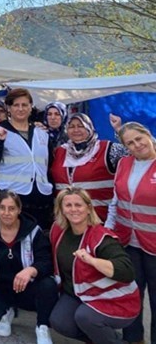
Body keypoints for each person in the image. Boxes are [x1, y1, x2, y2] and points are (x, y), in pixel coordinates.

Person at [50, 187, 139, 344]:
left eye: (78, 205)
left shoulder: (101, 237)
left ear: (89, 208)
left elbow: (127, 271)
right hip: (78, 294)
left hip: (114, 298)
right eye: (68, 205)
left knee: (85, 317)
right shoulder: (58, 231)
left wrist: (92, 261)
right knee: (59, 322)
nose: (73, 210)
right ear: (61, 210)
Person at [0, 190, 57, 343]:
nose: (7, 213)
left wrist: (30, 270)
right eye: (2, 208)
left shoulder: (33, 231)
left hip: (26, 287)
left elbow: (46, 262)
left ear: (19, 210)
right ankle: (6, 310)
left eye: (12, 208)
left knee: (48, 285)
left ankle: (42, 326)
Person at [106, 122, 156, 344]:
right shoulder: (124, 164)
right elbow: (115, 202)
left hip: (154, 246)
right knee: (130, 295)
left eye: (139, 138)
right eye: (130, 143)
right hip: (127, 242)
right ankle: (134, 340)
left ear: (149, 135)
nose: (137, 145)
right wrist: (108, 230)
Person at [0, 88, 54, 230]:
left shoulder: (42, 133)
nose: (20, 109)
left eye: (24, 105)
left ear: (30, 107)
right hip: (10, 198)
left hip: (39, 200)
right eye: (16, 105)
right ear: (9, 108)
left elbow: (48, 163)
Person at [51, 113, 127, 223]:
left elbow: (135, 151)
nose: (76, 130)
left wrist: (120, 130)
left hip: (101, 221)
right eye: (71, 126)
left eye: (80, 126)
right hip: (66, 221)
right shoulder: (58, 152)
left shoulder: (107, 149)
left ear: (89, 127)